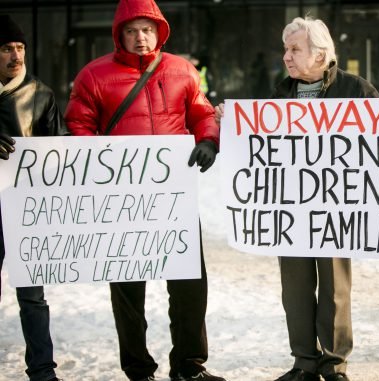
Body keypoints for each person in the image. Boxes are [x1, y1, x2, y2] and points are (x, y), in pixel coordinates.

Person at [64, 1, 224, 380]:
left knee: (189, 285)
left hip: (173, 197)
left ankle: (189, 366)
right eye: (132, 31)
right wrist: (96, 164)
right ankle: (138, 369)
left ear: (160, 32)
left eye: (147, 30)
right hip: (121, 202)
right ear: (119, 34)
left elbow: (201, 112)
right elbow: (78, 125)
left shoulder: (182, 70)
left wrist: (209, 140)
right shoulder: (93, 75)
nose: (141, 38)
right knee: (128, 291)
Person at [216, 16, 378, 381]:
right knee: (296, 290)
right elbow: (256, 144)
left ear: (320, 54)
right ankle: (304, 362)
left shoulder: (355, 89)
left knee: (335, 288)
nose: (286, 56)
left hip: (336, 208)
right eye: (285, 49)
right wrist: (232, 122)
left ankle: (334, 364)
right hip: (290, 211)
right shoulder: (279, 96)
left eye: (294, 49)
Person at [0, 14, 67, 381]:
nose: (16, 55)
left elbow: (60, 149)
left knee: (33, 297)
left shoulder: (40, 94)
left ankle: (42, 371)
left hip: (25, 211)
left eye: (20, 48)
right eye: (7, 49)